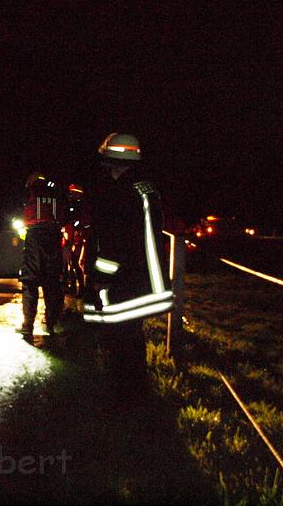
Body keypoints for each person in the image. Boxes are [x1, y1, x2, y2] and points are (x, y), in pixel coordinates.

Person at [82, 132, 174, 379]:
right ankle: (136, 396)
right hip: (144, 279)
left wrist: (100, 276)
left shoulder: (119, 193)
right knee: (133, 338)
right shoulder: (146, 188)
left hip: (125, 281)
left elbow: (115, 242)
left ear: (110, 161)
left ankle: (125, 399)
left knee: (120, 343)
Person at [17, 172, 64, 339]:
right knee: (52, 283)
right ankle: (51, 323)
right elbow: (63, 217)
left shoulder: (29, 193)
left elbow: (20, 212)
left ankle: (28, 325)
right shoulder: (55, 194)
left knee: (30, 282)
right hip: (53, 236)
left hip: (34, 237)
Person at [62, 183, 90, 299]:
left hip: (78, 240)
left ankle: (82, 288)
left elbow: (82, 223)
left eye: (73, 193)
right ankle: (74, 287)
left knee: (78, 264)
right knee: (72, 263)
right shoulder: (72, 206)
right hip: (72, 239)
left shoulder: (81, 206)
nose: (71, 195)